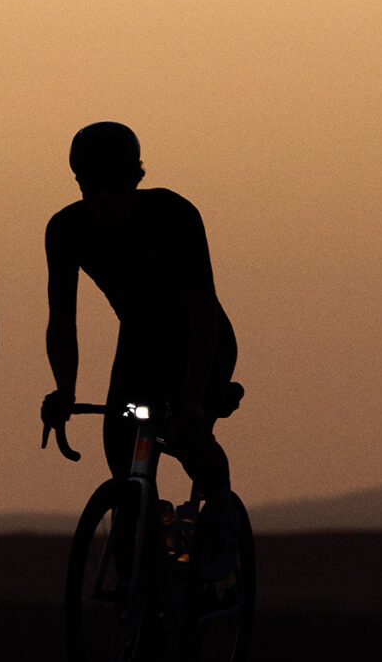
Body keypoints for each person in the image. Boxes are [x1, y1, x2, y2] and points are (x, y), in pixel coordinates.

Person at [40, 121, 244, 570]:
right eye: (90, 187)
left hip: (199, 338)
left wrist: (193, 399)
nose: (102, 199)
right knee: (121, 445)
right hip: (139, 344)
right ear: (78, 183)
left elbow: (202, 311)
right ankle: (147, 562)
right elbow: (62, 321)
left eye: (113, 186)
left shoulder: (175, 214)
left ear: (136, 179)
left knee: (188, 436)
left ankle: (222, 512)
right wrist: (65, 391)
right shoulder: (65, 230)